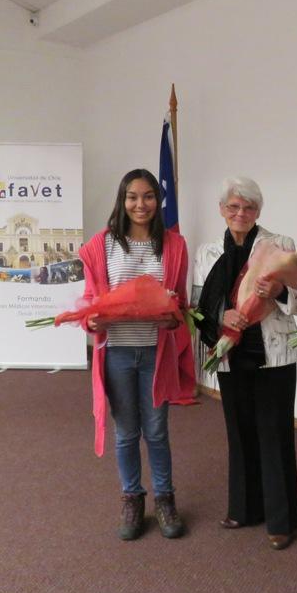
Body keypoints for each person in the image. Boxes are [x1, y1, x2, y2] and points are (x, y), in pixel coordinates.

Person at [78, 168, 196, 541]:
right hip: (116, 352)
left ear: (157, 201)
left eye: (148, 196)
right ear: (122, 200)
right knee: (127, 432)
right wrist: (90, 323)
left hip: (154, 351)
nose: (140, 204)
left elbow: (180, 301)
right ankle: (132, 497)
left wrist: (174, 318)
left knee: (157, 431)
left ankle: (165, 498)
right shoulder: (103, 244)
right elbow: (89, 298)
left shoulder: (174, 245)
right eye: (132, 196)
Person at [196, 177, 297, 550]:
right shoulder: (208, 252)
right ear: (222, 210)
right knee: (240, 431)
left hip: (273, 355)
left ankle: (282, 518)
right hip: (230, 352)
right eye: (233, 207)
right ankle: (244, 508)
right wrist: (220, 317)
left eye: (248, 207)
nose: (240, 214)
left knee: (275, 433)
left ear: (258, 211)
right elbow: (198, 307)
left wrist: (279, 291)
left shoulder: (280, 246)